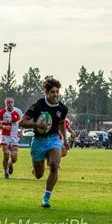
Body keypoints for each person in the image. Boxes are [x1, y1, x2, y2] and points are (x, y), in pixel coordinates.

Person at [19, 78, 68, 208]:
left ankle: (46, 198)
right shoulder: (38, 105)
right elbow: (22, 122)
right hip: (38, 142)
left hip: (53, 140)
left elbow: (61, 123)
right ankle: (34, 169)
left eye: (57, 92)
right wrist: (36, 124)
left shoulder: (62, 108)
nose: (56, 94)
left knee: (54, 165)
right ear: (46, 92)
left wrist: (65, 140)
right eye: (52, 92)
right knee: (39, 175)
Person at [0, 97, 23, 179]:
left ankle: (10, 164)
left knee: (14, 158)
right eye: (8, 102)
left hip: (14, 137)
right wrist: (4, 127)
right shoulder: (2, 112)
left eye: (11, 102)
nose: (10, 104)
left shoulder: (18, 111)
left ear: (13, 103)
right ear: (5, 104)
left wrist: (21, 131)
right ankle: (6, 172)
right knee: (6, 154)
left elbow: (22, 122)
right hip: (5, 136)